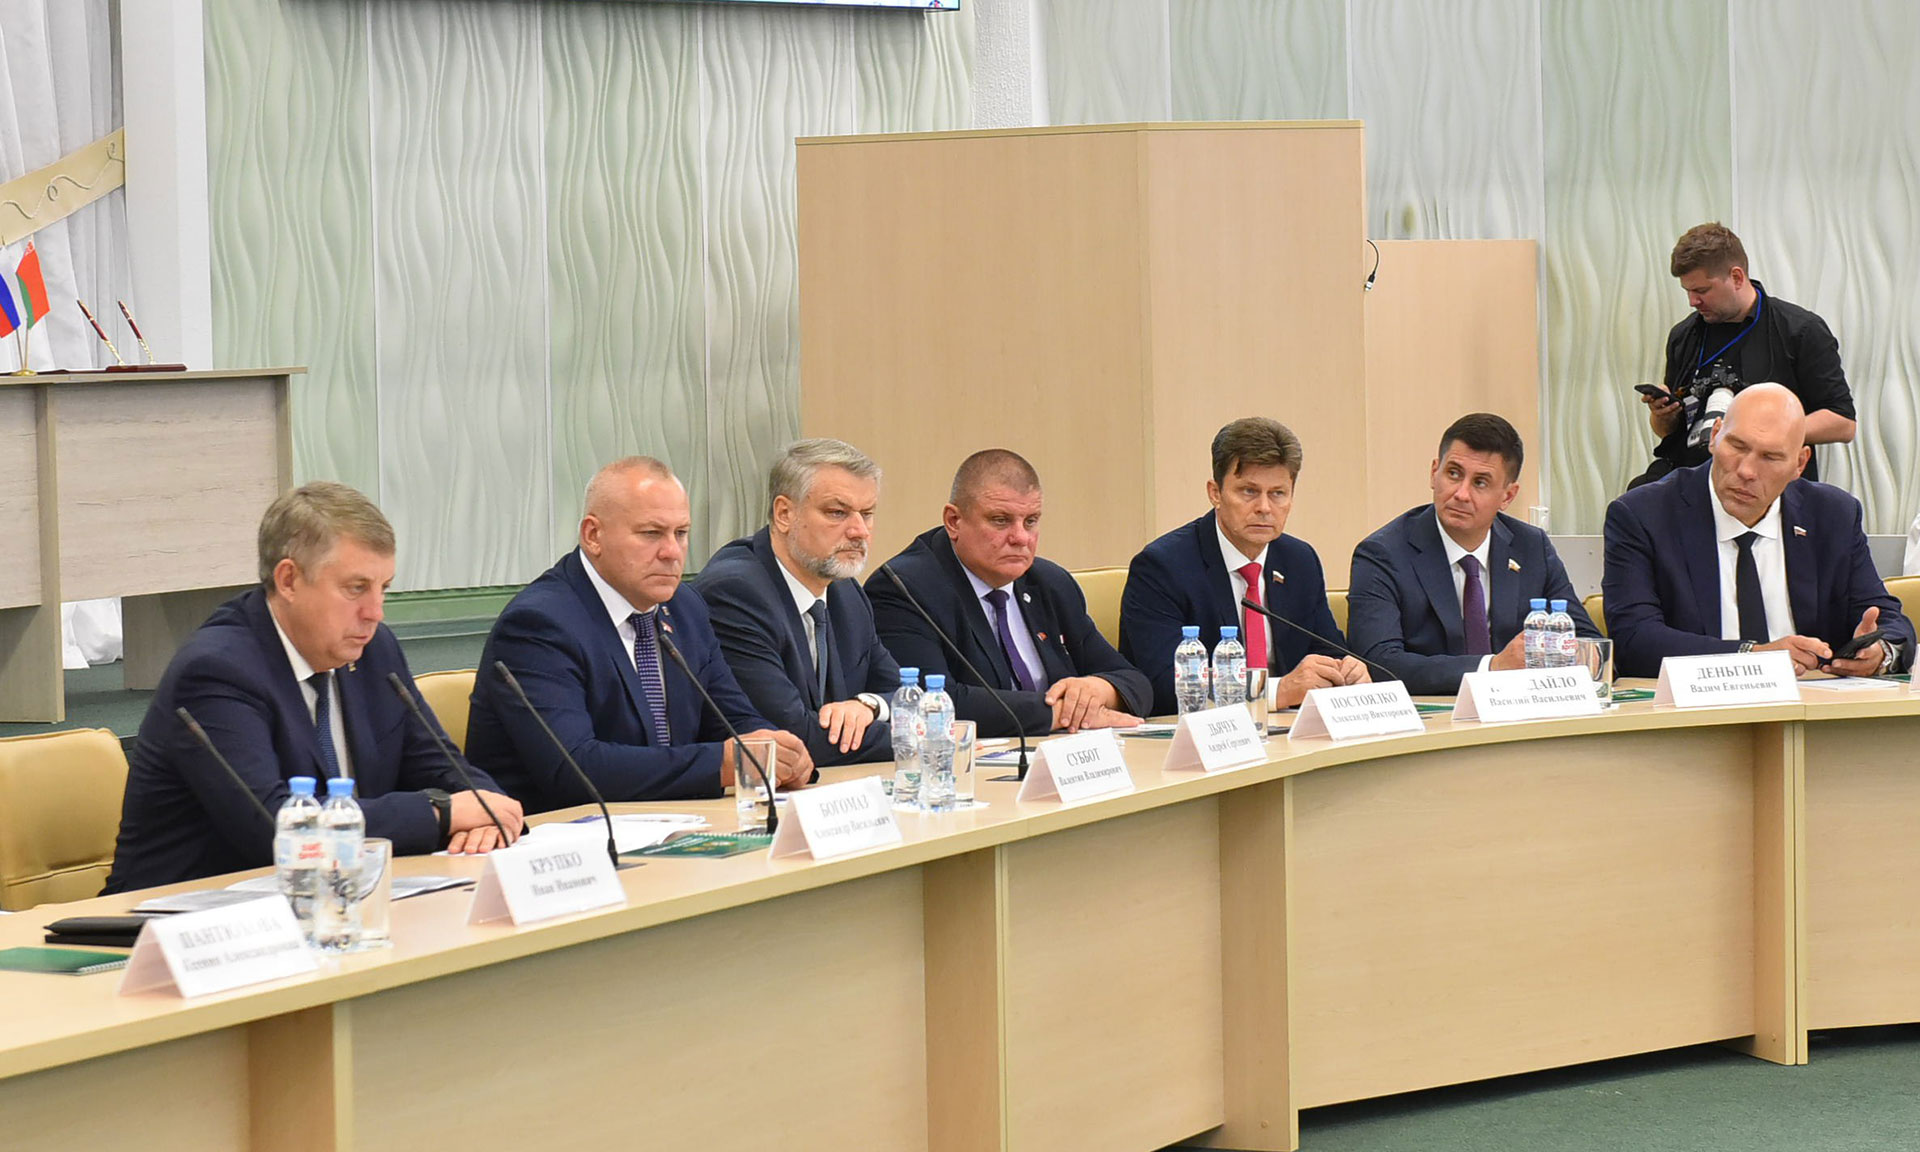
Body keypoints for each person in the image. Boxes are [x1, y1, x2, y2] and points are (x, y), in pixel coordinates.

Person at [103, 483, 525, 893]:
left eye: (383, 589)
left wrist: (487, 808)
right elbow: (275, 827)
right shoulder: (217, 671)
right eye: (356, 588)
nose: (375, 612)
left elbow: (442, 765)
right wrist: (441, 814)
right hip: (179, 921)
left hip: (330, 901)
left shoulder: (373, 651)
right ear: (288, 580)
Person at [465, 457, 811, 813]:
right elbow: (575, 768)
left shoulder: (685, 608)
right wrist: (721, 763)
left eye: (681, 533)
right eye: (651, 534)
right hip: (562, 834)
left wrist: (774, 749)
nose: (672, 552)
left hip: (669, 822)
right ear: (593, 535)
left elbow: (733, 719)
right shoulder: (538, 624)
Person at [1604, 383, 1911, 679]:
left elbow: (1887, 619)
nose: (1747, 471)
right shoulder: (1644, 515)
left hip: (1810, 700)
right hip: (1695, 705)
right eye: (1737, 446)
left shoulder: (1832, 515)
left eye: (1770, 457)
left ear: (1800, 463)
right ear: (1715, 436)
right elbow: (1634, 639)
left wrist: (1879, 653)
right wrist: (1752, 656)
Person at [866, 449, 1149, 737]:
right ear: (954, 521)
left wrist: (1098, 690)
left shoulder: (1051, 583)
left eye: (1031, 521)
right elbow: (929, 701)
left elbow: (1135, 681)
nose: (1021, 537)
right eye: (1000, 520)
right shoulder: (905, 589)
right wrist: (1058, 713)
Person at [1120, 417, 1366, 715]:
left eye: (1278, 493)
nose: (1264, 507)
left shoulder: (1299, 560)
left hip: (1287, 729)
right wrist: (1277, 692)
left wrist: (1346, 671)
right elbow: (1162, 685)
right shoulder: (1163, 567)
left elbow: (1327, 650)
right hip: (1199, 734)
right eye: (1249, 491)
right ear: (1215, 492)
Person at [1347, 413, 1598, 695]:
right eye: (1453, 474)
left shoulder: (1531, 547)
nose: (1461, 494)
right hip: (1434, 715)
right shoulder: (1383, 554)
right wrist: (1491, 668)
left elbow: (1589, 645)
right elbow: (1378, 662)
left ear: (1507, 496)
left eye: (1480, 482)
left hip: (1522, 709)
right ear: (1434, 473)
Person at [695, 439, 900, 766]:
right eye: (837, 513)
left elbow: (905, 691)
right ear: (784, 514)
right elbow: (793, 737)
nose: (859, 531)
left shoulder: (846, 591)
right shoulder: (735, 593)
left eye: (867, 514)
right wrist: (916, 736)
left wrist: (868, 705)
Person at [1634, 222, 1853, 487]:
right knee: (1632, 500)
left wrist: (1765, 436)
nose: (1693, 301)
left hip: (1763, 487)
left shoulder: (1800, 330)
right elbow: (1668, 432)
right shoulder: (1683, 336)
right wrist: (1663, 416)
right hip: (1693, 485)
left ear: (1737, 277)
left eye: (1702, 291)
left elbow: (1843, 423)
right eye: (1688, 291)